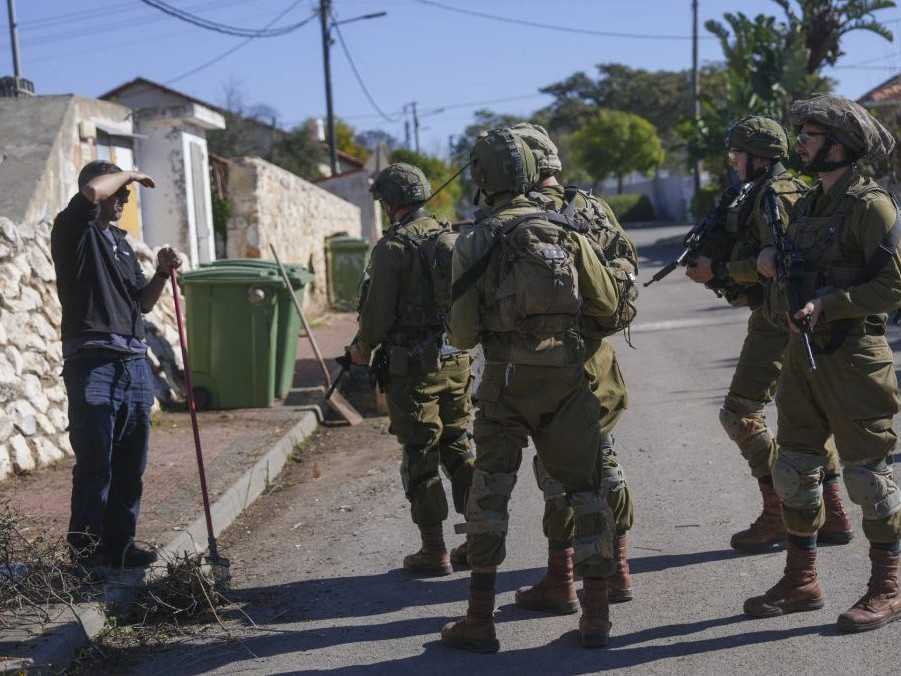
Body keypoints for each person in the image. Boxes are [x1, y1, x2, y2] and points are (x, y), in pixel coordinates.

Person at [442, 128, 621, 652]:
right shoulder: (567, 230)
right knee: (587, 491)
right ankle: (595, 620)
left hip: (504, 382)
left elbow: (462, 334)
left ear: (483, 177)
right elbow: (608, 310)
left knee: (489, 493)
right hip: (569, 382)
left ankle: (479, 619)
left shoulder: (474, 240)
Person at [748, 94, 901, 633]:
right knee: (794, 468)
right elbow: (793, 269)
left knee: (868, 476)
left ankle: (887, 585)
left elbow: (892, 285)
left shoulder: (871, 205)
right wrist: (767, 265)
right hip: (802, 356)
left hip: (855, 358)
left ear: (841, 145)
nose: (802, 144)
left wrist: (829, 304)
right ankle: (802, 579)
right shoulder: (809, 204)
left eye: (811, 135)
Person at [684, 116, 851, 553]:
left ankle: (780, 509)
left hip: (777, 318)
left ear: (758, 156)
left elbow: (774, 264)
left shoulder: (770, 196)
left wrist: (716, 270)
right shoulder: (796, 187)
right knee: (807, 420)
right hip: (800, 317)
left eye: (739, 153)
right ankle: (833, 512)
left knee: (739, 413)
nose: (734, 161)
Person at [509, 123, 639, 611]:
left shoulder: (514, 217)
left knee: (556, 471)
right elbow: (626, 270)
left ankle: (564, 578)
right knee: (603, 460)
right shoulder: (593, 208)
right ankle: (616, 567)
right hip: (596, 358)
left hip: (541, 366)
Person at [51, 160, 181, 568]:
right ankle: (88, 555)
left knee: (130, 462)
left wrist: (161, 273)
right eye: (120, 191)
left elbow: (140, 303)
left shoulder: (121, 243)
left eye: (128, 193)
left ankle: (120, 546)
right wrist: (132, 173)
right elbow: (92, 193)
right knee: (95, 461)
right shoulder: (74, 229)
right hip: (93, 363)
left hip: (133, 363)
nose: (124, 198)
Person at [348, 162, 474, 576]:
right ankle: (477, 539)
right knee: (458, 445)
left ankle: (434, 550)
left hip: (412, 368)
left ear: (389, 203)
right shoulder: (449, 236)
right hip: (455, 360)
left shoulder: (392, 247)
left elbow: (378, 315)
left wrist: (361, 348)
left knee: (421, 451)